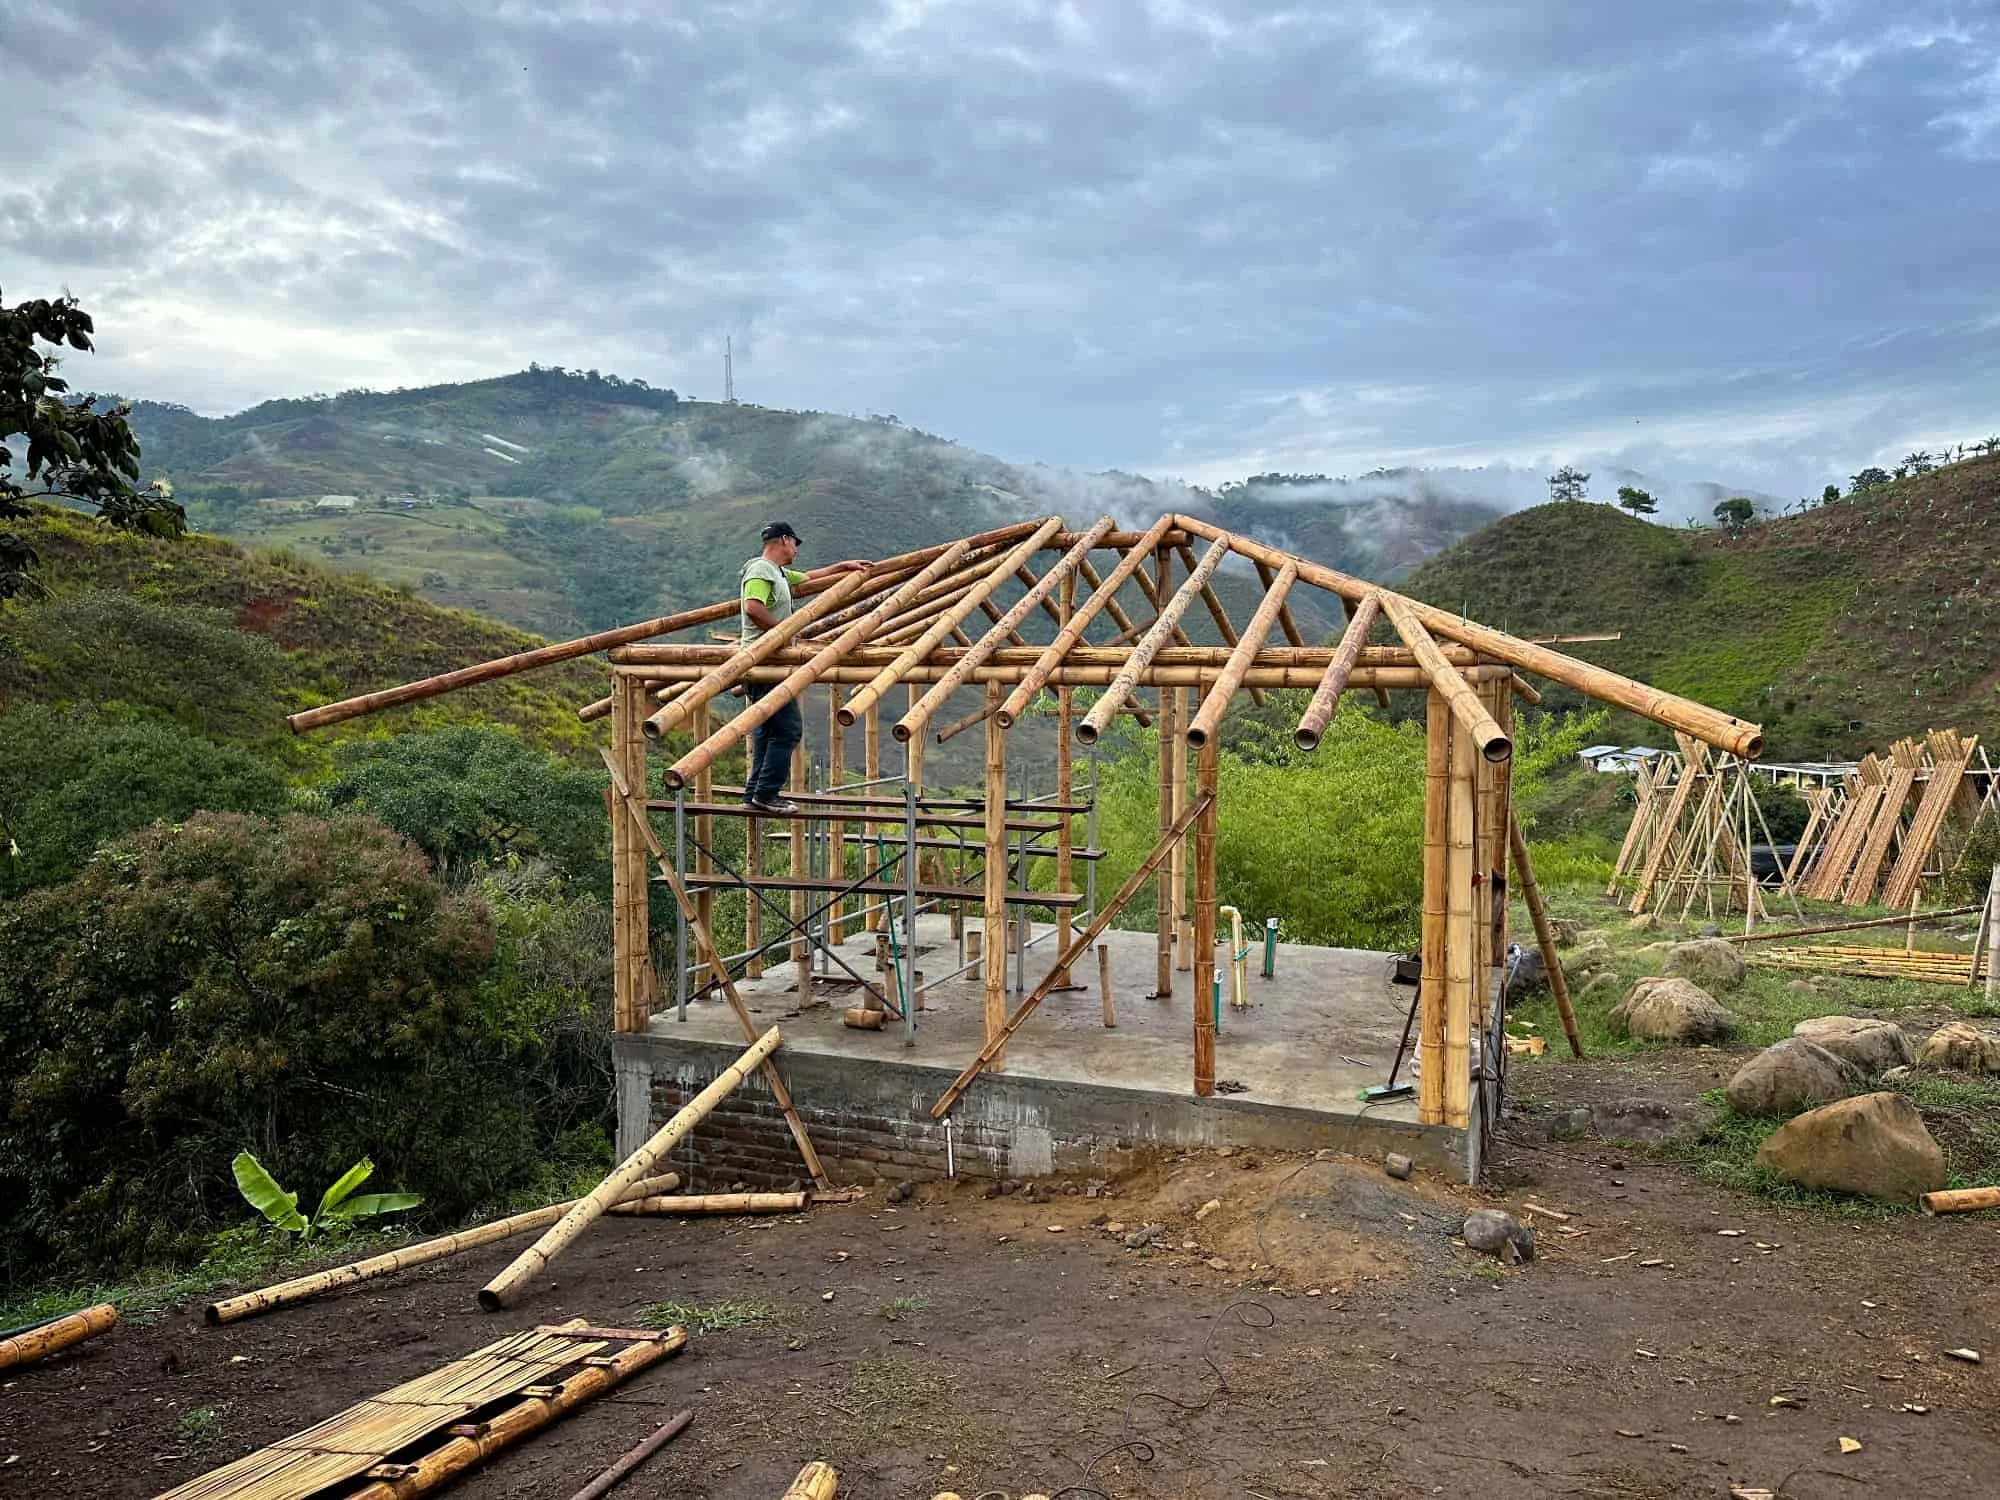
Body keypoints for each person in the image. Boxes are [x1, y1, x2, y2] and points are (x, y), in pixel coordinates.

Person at [738, 521, 869, 813]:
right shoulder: (760, 570)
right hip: (762, 662)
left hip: (768, 661)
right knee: (787, 730)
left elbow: (808, 578)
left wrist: (842, 567)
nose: (796, 549)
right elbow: (753, 607)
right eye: (795, 543)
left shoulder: (779, 573)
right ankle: (767, 794)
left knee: (767, 730)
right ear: (784, 540)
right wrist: (784, 631)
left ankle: (753, 795)